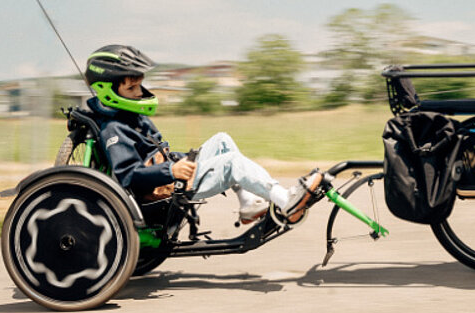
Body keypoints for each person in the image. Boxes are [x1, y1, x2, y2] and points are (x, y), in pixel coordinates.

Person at [83, 44, 322, 224]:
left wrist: (181, 160)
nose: (139, 93)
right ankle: (286, 201)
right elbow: (128, 176)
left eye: (138, 85)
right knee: (231, 162)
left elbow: (156, 153)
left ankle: (248, 203)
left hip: (169, 175)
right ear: (107, 90)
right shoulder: (114, 129)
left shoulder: (132, 117)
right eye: (131, 87)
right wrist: (172, 170)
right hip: (162, 190)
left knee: (222, 140)